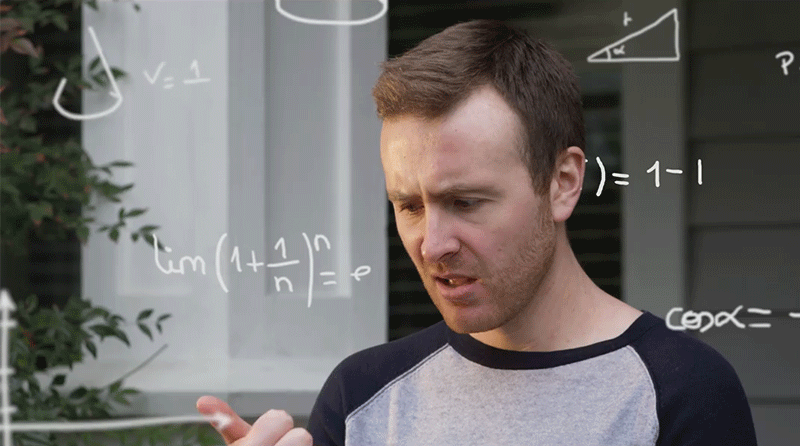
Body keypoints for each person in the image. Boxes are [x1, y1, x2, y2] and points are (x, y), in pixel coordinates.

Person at [197, 19, 758, 445]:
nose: (432, 244)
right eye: (409, 206)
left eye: (465, 202)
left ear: (563, 183)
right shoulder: (362, 397)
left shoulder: (681, 392)